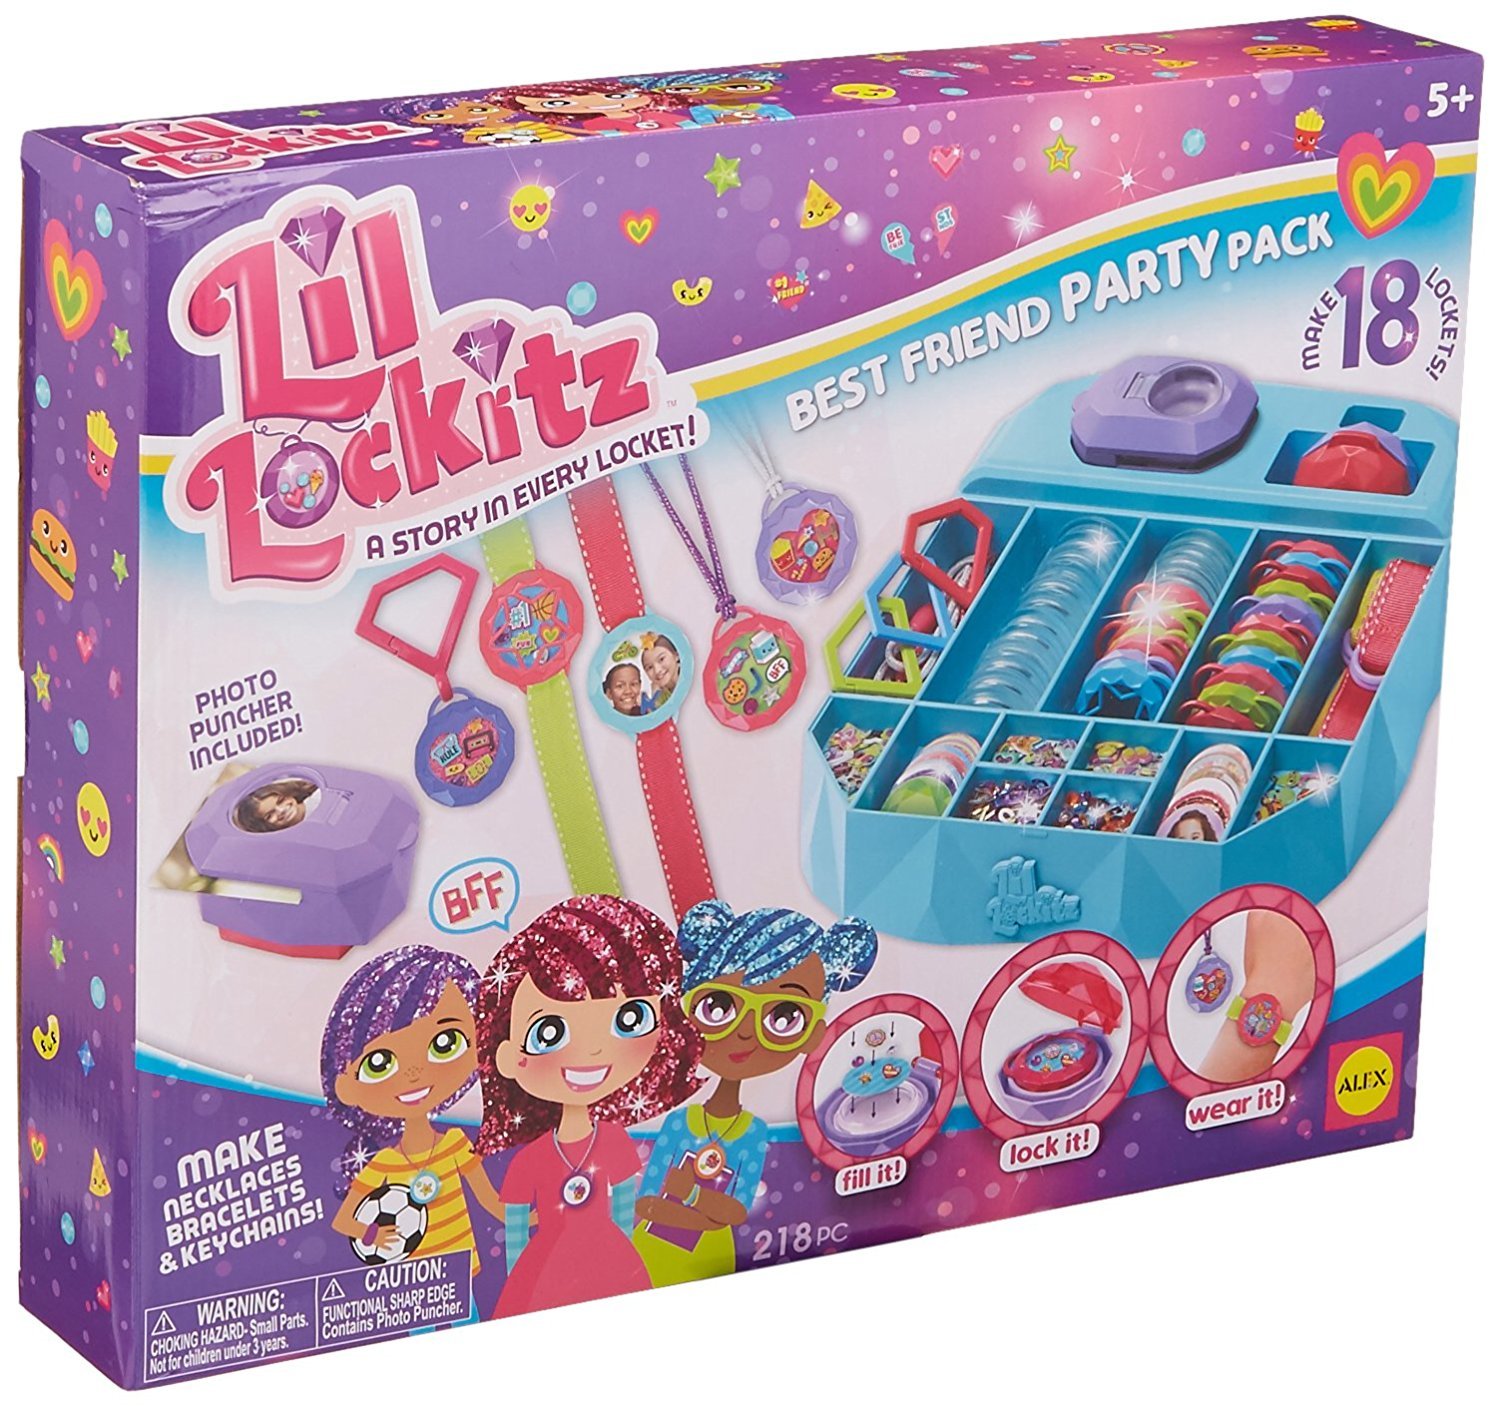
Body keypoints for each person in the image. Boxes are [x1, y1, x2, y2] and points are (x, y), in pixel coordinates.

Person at [475, 895, 703, 1316]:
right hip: (543, 1272)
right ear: (507, 1056)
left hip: (612, 1262)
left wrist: (624, 1254)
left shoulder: (613, 1141)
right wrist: (517, 1279)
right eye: (548, 1032)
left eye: (629, 1020)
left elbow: (623, 1213)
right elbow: (517, 1234)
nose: (595, 1050)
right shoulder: (530, 1159)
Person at [632, 901, 878, 1286]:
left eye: (783, 1016)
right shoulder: (680, 1122)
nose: (746, 1032)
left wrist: (689, 1197)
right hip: (649, 1253)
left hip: (718, 1260)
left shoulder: (753, 1132)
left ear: (813, 1035)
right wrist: (706, 1210)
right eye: (719, 1005)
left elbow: (734, 1213)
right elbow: (647, 1205)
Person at [322, 946, 503, 1286]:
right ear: (345, 1085)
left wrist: (531, 1217)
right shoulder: (383, 1164)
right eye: (379, 1063)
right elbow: (344, 1221)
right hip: (413, 1287)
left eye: (446, 1043)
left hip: (462, 1272)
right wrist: (373, 1235)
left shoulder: (455, 1144)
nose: (415, 1073)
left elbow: (490, 1200)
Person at [236, 777, 319, 833]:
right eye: (269, 815)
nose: (281, 810)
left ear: (288, 793)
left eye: (281, 800)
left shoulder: (319, 797)